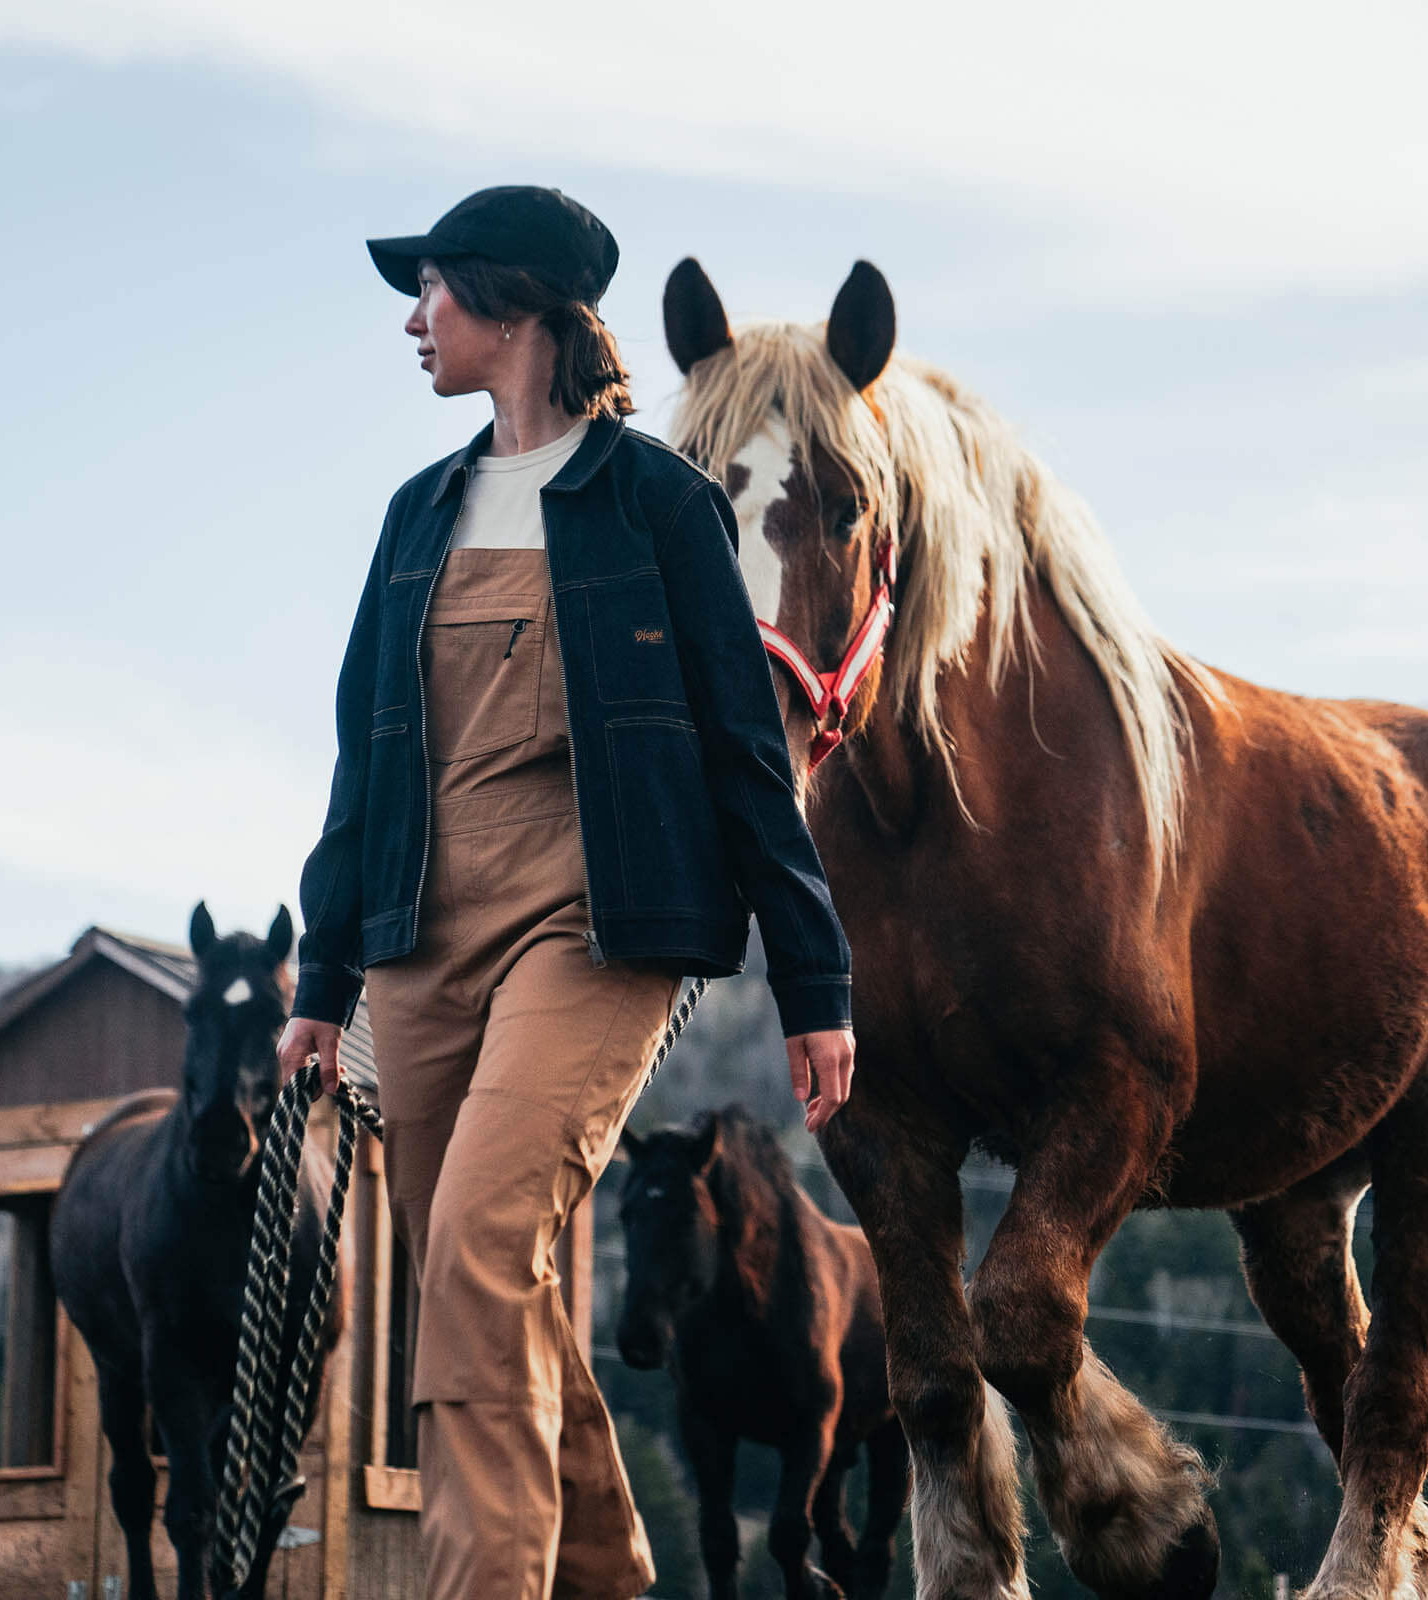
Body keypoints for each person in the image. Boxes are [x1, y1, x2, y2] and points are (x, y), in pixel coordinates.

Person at [275, 185, 858, 1600]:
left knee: (478, 1247)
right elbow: (369, 760)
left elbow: (739, 751)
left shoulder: (657, 504)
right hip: (421, 940)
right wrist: (322, 985)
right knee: (477, 1286)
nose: (416, 323)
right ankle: (599, 1566)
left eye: (435, 296)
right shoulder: (418, 515)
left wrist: (813, 982)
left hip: (594, 935)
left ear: (516, 307)